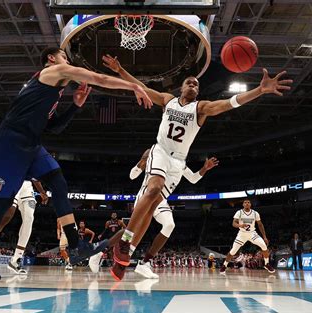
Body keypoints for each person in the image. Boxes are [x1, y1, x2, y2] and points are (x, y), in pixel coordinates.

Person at [102, 54, 292, 280]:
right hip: (160, 151)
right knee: (153, 189)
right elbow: (140, 86)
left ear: (197, 91)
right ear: (181, 88)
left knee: (152, 206)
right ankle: (124, 243)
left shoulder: (200, 109)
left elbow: (228, 104)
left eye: (196, 84)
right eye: (189, 82)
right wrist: (120, 68)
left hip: (178, 162)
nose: (192, 85)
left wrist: (259, 91)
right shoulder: (167, 100)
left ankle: (126, 258)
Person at [0, 47, 153, 281]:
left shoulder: (52, 91)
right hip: (9, 141)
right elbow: (98, 78)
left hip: (32, 144)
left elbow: (54, 127)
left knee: (57, 180)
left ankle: (76, 246)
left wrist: (75, 106)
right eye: (64, 57)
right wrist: (134, 86)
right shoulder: (52, 72)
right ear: (51, 59)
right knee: (4, 201)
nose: (67, 61)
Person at [130, 148, 218, 279]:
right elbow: (132, 176)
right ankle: (102, 250)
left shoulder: (180, 162)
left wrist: (204, 168)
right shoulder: (157, 152)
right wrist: (141, 162)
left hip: (161, 201)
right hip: (146, 196)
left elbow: (193, 179)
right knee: (130, 232)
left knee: (169, 224)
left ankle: (145, 263)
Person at [0, 180, 48, 274]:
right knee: (7, 216)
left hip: (27, 188)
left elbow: (35, 178)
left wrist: (42, 192)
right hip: (13, 182)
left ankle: (16, 259)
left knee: (29, 218)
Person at [220, 199, 275, 274]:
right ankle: (224, 265)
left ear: (250, 204)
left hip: (252, 233)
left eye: (248, 202)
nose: (247, 203)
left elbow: (260, 225)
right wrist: (240, 225)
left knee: (264, 245)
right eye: (245, 202)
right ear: (243, 204)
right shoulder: (239, 212)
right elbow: (233, 223)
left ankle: (266, 264)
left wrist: (264, 237)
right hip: (242, 234)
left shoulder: (255, 213)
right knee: (233, 251)